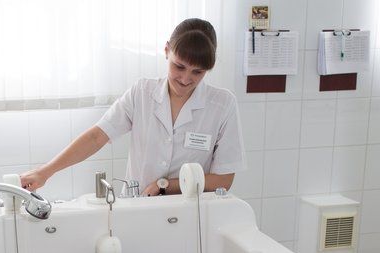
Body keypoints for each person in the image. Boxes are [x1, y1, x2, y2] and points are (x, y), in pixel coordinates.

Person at [21, 18, 245, 197]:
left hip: (190, 214)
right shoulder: (142, 93)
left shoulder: (222, 105)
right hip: (138, 208)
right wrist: (45, 172)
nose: (186, 79)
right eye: (179, 66)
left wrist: (166, 185)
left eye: (198, 72)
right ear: (167, 50)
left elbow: (224, 179)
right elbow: (97, 137)